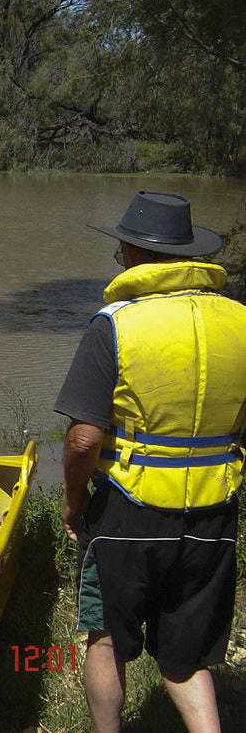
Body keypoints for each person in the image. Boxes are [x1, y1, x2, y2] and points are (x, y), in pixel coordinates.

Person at [56, 190, 246, 733]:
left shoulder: (115, 323)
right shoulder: (241, 321)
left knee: (107, 638)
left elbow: (84, 439)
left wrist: (74, 502)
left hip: (128, 510)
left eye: (121, 252)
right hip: (214, 512)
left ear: (134, 255)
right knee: (187, 654)